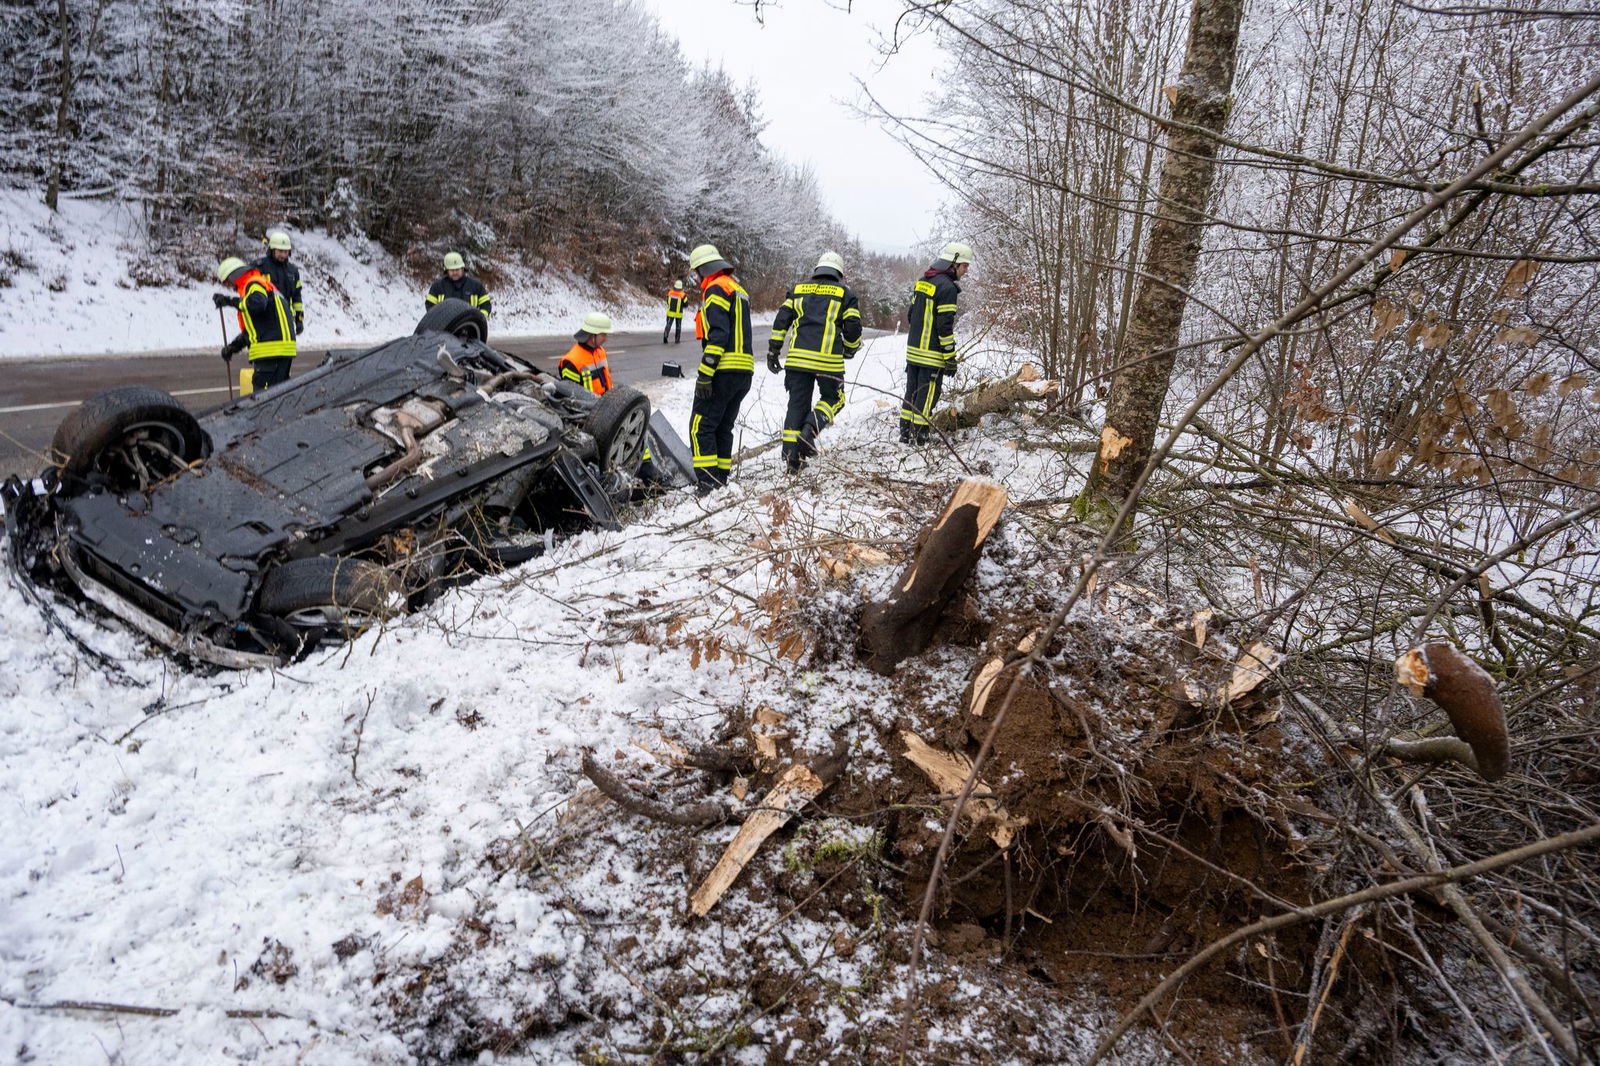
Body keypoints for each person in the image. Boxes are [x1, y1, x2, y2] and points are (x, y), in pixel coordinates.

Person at [766, 251, 861, 473]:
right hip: (828, 361)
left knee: (797, 404)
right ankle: (810, 430)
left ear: (817, 270)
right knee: (834, 398)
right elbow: (853, 328)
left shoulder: (798, 290)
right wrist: (850, 348)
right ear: (838, 272)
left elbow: (781, 321)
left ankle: (792, 457)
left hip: (797, 360)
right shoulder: (845, 294)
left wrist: (773, 351)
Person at [687, 243, 754, 494]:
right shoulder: (737, 289)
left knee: (700, 427)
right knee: (723, 426)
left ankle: (707, 484)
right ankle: (721, 480)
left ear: (703, 270)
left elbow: (718, 336)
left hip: (722, 371)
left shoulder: (715, 289)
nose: (696, 278)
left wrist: (705, 374)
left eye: (696, 273)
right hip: (743, 372)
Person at [901, 242, 973, 444]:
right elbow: (944, 326)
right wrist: (950, 356)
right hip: (931, 355)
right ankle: (920, 438)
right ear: (954, 264)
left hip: (913, 352)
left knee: (912, 393)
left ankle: (905, 435)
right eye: (965, 265)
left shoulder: (923, 281)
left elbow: (910, 314)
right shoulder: (947, 288)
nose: (966, 270)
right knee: (927, 396)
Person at [212, 256, 296, 391]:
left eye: (227, 282)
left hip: (270, 351)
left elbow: (257, 303)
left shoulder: (253, 284)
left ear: (233, 276)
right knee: (280, 394)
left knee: (262, 397)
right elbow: (253, 331)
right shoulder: (262, 284)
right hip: (281, 349)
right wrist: (232, 348)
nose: (229, 286)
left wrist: (230, 301)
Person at [254, 230, 304, 334]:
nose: (283, 255)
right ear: (272, 250)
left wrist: (299, 319)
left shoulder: (293, 271)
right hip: (264, 320)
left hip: (286, 319)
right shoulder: (259, 267)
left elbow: (297, 296)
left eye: (286, 252)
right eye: (280, 251)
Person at [559, 311, 615, 395]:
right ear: (592, 335)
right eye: (603, 335)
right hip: (590, 407)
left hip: (606, 402)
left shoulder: (600, 352)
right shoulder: (572, 362)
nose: (606, 339)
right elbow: (571, 396)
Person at [426, 252, 493, 321]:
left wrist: (479, 319)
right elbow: (430, 307)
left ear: (463, 269)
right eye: (452, 270)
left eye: (457, 269)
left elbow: (486, 306)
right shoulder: (437, 286)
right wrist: (438, 320)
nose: (455, 273)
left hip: (469, 326)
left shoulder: (476, 286)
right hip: (445, 327)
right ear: (446, 270)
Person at [662, 279, 688, 344]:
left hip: (670, 312)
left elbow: (668, 301)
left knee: (668, 325)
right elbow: (686, 304)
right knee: (678, 327)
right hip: (678, 313)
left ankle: (665, 335)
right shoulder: (683, 295)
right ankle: (677, 339)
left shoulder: (670, 293)